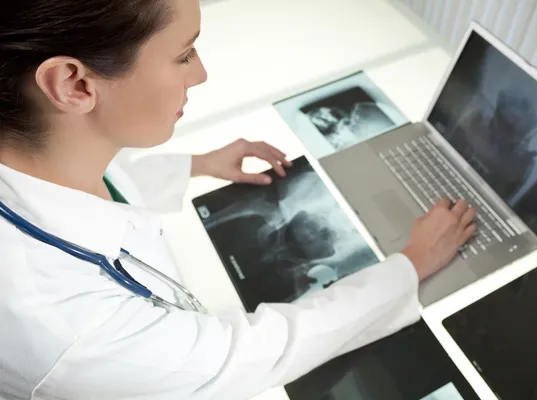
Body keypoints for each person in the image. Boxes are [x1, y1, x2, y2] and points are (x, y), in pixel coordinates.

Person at [0, 1, 476, 399]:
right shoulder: (71, 331)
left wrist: (198, 164)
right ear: (74, 84)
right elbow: (258, 351)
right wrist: (409, 266)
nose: (201, 73)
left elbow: (105, 182)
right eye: (184, 55)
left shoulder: (32, 155)